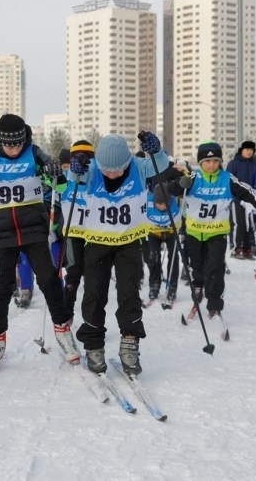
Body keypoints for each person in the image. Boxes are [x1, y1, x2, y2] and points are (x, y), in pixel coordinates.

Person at [0, 114, 80, 368]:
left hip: (34, 228)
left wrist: (56, 174)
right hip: (2, 230)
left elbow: (60, 187)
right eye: (8, 146)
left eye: (18, 144)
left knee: (49, 279)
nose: (14, 150)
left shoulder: (34, 154)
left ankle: (63, 330)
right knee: (2, 286)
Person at [69, 132, 168, 375]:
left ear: (127, 162)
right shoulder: (92, 168)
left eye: (118, 170)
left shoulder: (138, 166)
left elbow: (161, 164)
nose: (112, 174)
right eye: (107, 170)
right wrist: (75, 167)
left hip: (129, 242)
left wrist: (156, 150)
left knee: (129, 294)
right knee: (94, 294)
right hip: (97, 242)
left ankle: (130, 342)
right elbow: (74, 177)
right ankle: (94, 345)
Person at [169, 141, 256, 318]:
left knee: (215, 269)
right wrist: (180, 184)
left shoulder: (227, 179)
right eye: (208, 162)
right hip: (194, 232)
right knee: (197, 268)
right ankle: (198, 286)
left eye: (216, 161)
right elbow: (172, 189)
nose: (212, 165)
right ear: (201, 163)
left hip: (217, 232)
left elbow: (247, 191)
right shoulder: (193, 177)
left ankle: (214, 304)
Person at [61, 140, 95, 312]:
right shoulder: (66, 178)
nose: (83, 161)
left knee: (92, 274)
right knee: (73, 273)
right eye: (76, 157)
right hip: (73, 232)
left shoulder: (98, 178)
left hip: (93, 234)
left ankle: (91, 313)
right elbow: (50, 187)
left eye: (88, 157)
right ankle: (67, 310)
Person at [144, 185, 181, 306]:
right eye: (159, 204)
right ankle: (154, 285)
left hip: (170, 233)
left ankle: (172, 286)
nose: (162, 207)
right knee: (153, 257)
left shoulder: (174, 203)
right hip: (154, 233)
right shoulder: (147, 202)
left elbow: (179, 221)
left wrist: (173, 226)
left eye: (165, 204)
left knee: (174, 257)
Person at [226, 140, 256, 259]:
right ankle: (236, 248)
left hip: (250, 198)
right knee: (239, 223)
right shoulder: (233, 163)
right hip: (237, 198)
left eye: (251, 150)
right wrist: (233, 195)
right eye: (247, 149)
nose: (249, 152)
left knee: (250, 225)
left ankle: (247, 248)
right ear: (241, 150)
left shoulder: (255, 165)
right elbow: (229, 180)